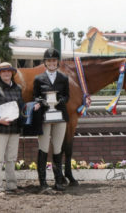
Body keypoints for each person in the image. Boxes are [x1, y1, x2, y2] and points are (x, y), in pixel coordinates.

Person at [33, 48, 69, 191]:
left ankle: (58, 181)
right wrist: (43, 101)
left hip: (60, 116)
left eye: (54, 60)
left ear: (57, 62)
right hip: (44, 116)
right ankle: (42, 182)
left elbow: (67, 96)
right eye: (49, 61)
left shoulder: (64, 78)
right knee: (43, 148)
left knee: (58, 148)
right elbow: (35, 96)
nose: (52, 63)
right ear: (45, 63)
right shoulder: (38, 79)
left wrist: (60, 100)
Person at [0, 62, 24, 195]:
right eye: (3, 71)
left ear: (12, 73)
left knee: (11, 158)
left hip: (14, 128)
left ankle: (12, 185)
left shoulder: (18, 88)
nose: (6, 73)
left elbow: (20, 106)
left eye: (8, 71)